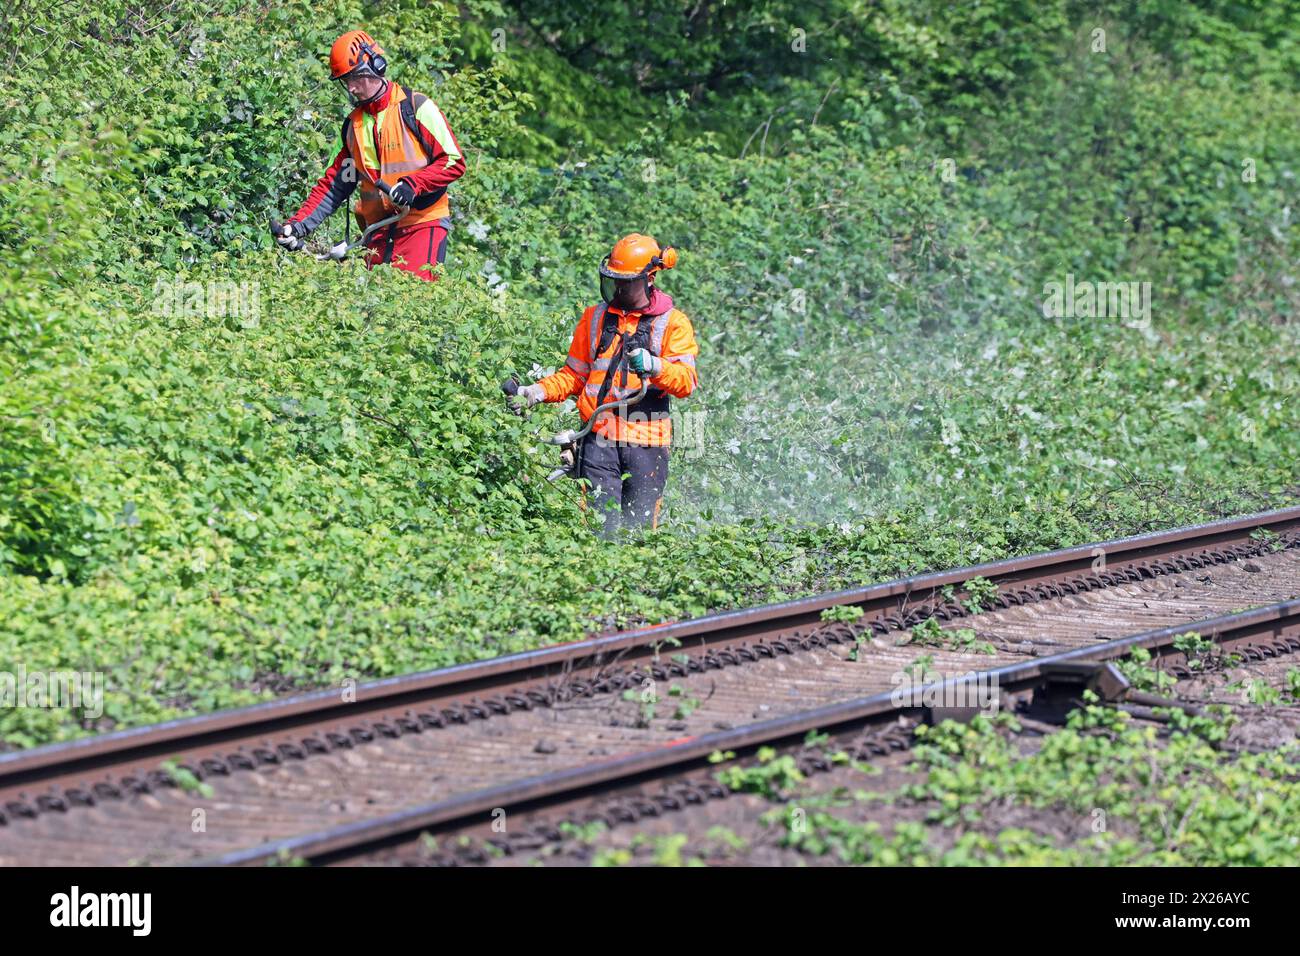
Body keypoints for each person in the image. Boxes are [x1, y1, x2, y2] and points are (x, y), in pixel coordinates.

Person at [510, 234, 700, 533]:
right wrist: (535, 392)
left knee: (638, 530)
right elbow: (573, 376)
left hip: (646, 441)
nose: (620, 288)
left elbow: (686, 382)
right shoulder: (595, 318)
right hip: (597, 437)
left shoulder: (673, 323)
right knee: (601, 528)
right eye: (615, 280)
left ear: (649, 279)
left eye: (627, 282)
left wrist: (656, 366)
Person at [271, 30, 465, 279]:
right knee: (371, 309)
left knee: (413, 305)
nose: (351, 88)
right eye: (345, 80)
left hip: (422, 223)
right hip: (377, 232)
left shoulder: (416, 108)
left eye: (355, 77)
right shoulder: (352, 127)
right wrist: (297, 227)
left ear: (376, 65)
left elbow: (454, 161)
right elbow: (332, 187)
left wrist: (413, 184)